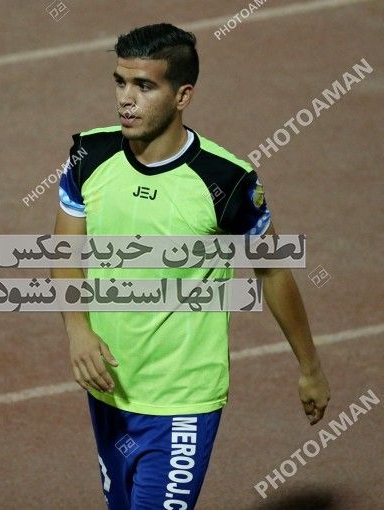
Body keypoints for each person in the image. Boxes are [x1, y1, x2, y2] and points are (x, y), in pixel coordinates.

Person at [52, 22, 330, 510]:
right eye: (120, 82)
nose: (126, 100)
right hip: (110, 391)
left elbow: (273, 271)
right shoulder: (89, 155)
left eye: (144, 86)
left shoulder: (225, 180)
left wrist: (310, 367)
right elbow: (65, 250)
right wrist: (77, 329)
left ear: (182, 95)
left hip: (183, 400)